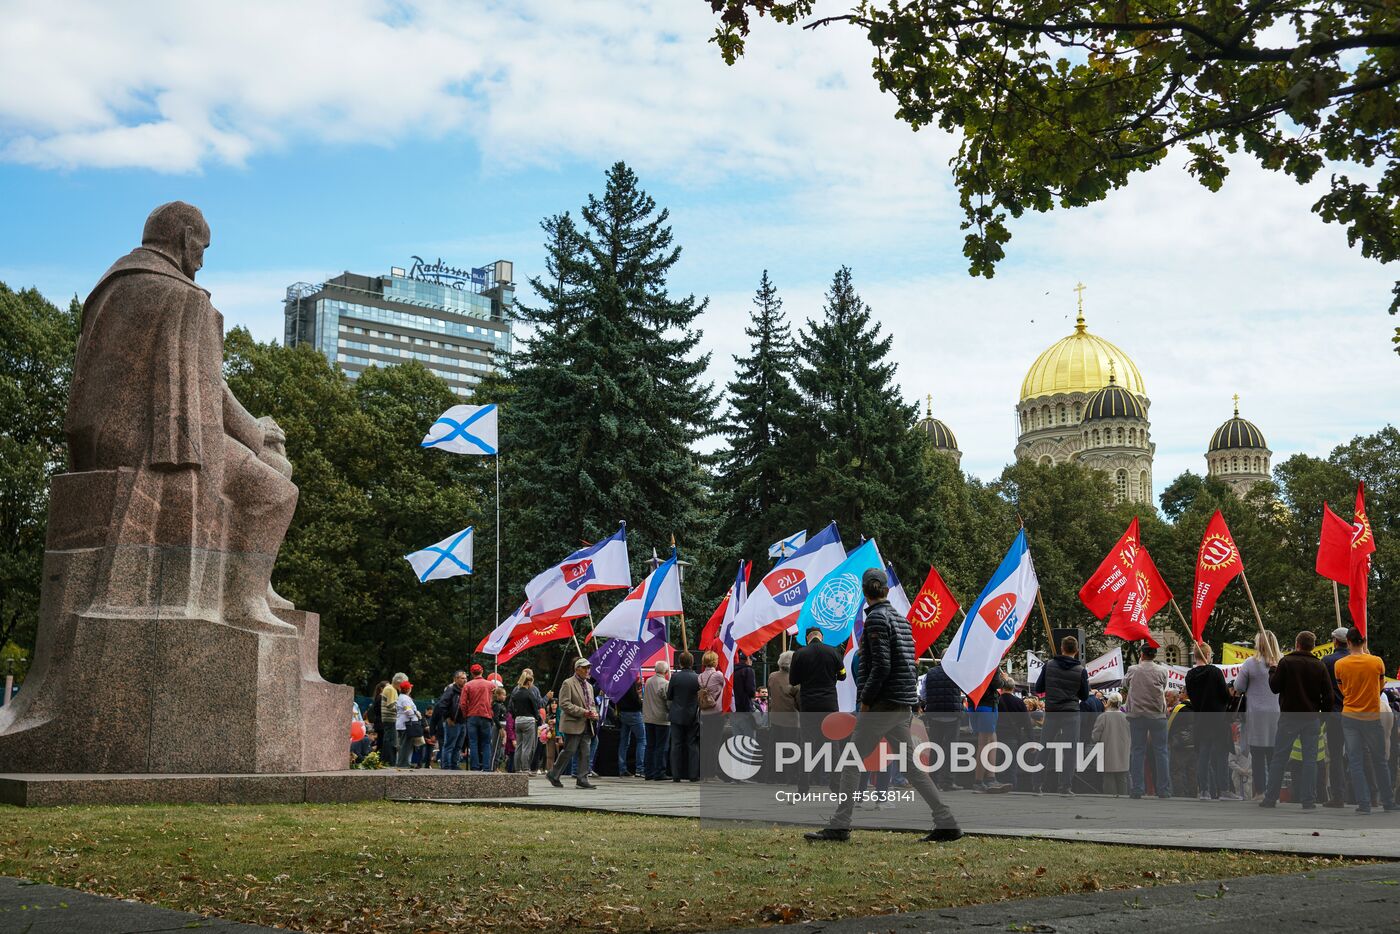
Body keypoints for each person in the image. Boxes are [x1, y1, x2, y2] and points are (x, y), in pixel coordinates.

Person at [805, 568, 960, 843]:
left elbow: (881, 666)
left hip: (881, 704)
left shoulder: (876, 620)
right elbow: (905, 664)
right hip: (901, 703)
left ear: (865, 593)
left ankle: (840, 824)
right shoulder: (901, 620)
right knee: (912, 767)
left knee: (851, 762)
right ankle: (945, 820)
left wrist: (865, 699)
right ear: (886, 589)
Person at [1261, 630, 1333, 810]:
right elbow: (1328, 696)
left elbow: (1275, 687)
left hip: (1289, 716)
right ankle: (1308, 800)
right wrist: (1322, 717)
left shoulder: (1286, 662)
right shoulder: (1319, 665)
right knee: (1310, 759)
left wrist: (1272, 670)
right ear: (1312, 646)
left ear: (1297, 644)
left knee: (1280, 757)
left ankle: (1270, 798)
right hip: (1311, 717)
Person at [1334, 627, 1398, 814]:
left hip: (1350, 715)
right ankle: (1387, 801)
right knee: (1380, 760)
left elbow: (1342, 689)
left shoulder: (1340, 664)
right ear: (1364, 642)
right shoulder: (1377, 662)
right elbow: (1379, 688)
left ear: (1349, 642)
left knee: (1355, 761)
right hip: (1371, 716)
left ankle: (1364, 803)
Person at [790, 626, 846, 793]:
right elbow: (842, 675)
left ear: (807, 638)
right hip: (829, 704)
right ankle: (836, 785)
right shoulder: (833, 652)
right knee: (832, 744)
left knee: (806, 744)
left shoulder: (799, 654)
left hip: (809, 705)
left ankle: (803, 787)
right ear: (821, 636)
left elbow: (793, 680)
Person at [1033, 635, 1089, 796]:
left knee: (1044, 748)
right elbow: (1085, 696)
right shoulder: (1080, 671)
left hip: (1052, 712)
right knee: (1070, 751)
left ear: (1062, 648)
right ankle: (1065, 786)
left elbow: (1039, 687)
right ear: (1077, 651)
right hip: (1071, 713)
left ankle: (1037, 785)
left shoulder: (1049, 665)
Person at [1233, 632, 1282, 798]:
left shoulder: (1250, 663)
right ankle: (1273, 791)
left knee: (1258, 754)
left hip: (1256, 714)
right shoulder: (1281, 662)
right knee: (1274, 755)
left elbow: (1239, 686)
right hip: (1276, 712)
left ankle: (1261, 791)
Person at [1185, 642, 1236, 800]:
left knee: (1203, 755)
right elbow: (1224, 695)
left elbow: (1192, 698)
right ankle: (1224, 790)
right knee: (1221, 755)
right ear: (1207, 655)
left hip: (1201, 718)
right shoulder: (1214, 672)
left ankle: (1204, 790)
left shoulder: (1190, 675)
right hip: (1218, 718)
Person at [1123, 645, 1172, 799]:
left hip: (1137, 714)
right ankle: (1163, 789)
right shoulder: (1162, 671)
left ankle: (1137, 789)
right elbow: (1164, 687)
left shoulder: (1133, 669)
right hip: (1157, 715)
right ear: (1155, 655)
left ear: (1142, 654)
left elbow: (1125, 685)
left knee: (1137, 751)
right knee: (1161, 752)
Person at [546, 658, 599, 789]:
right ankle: (553, 773)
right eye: (585, 667)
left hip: (587, 723)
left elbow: (591, 704)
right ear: (577, 669)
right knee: (569, 750)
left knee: (585, 752)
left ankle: (582, 778)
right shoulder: (568, 683)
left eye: (588, 668)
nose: (587, 670)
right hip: (573, 723)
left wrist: (593, 713)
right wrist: (583, 712)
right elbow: (564, 704)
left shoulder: (589, 686)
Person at [1321, 627, 1351, 807]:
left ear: (1335, 641)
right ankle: (1368, 795)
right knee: (1359, 755)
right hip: (1355, 711)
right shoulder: (1357, 660)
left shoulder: (1327, 661)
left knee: (1336, 755)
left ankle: (1338, 796)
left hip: (1334, 713)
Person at [667, 652, 701, 782]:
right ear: (692, 662)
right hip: (692, 715)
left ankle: (676, 775)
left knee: (676, 745)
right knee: (692, 745)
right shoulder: (697, 678)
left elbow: (669, 695)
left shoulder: (675, 677)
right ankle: (693, 775)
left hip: (676, 715)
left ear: (680, 663)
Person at [768, 651, 799, 781]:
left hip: (775, 716)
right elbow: (798, 700)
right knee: (790, 749)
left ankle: (771, 776)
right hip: (790, 719)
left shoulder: (772, 676)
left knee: (774, 748)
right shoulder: (794, 680)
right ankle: (789, 777)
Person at [1092, 692, 1131, 796]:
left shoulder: (1103, 717)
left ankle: (1110, 801)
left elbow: (1095, 736)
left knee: (1108, 777)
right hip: (1123, 751)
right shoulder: (1126, 717)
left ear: (1109, 702)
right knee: (1122, 778)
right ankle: (1123, 799)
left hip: (1106, 751)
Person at [459, 664, 495, 772]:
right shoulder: (491, 685)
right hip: (486, 715)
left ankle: (474, 767)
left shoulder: (467, 685)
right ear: (482, 671)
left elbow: (463, 703)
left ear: (471, 673)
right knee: (486, 743)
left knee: (473, 742)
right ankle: (486, 767)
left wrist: (466, 714)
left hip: (472, 716)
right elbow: (495, 700)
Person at [698, 651, 727, 780]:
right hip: (716, 712)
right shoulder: (718, 675)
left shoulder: (700, 677)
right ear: (715, 661)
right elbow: (728, 684)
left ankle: (704, 772)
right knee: (715, 743)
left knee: (706, 742)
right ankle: (712, 772)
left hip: (704, 712)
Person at [509, 670, 546, 776]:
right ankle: (525, 768)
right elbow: (535, 708)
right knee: (527, 746)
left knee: (519, 745)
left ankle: (517, 769)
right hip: (529, 720)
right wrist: (538, 719)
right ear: (529, 682)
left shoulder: (515, 694)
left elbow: (511, 708)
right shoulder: (530, 693)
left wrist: (516, 717)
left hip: (518, 720)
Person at [642, 661, 672, 781]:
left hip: (648, 718)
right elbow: (668, 701)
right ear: (665, 671)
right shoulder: (665, 683)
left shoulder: (648, 681)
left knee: (650, 745)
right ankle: (659, 772)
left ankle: (648, 772)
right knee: (662, 746)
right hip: (662, 719)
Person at [435, 670, 467, 772]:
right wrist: (448, 717)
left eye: (466, 678)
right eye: (462, 678)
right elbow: (441, 704)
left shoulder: (465, 690)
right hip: (453, 722)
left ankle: (454, 764)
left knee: (458, 746)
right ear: (456, 679)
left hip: (462, 722)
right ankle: (446, 765)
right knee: (449, 745)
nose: (465, 680)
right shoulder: (451, 690)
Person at [616, 678, 646, 777]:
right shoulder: (630, 679)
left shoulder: (619, 679)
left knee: (624, 742)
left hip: (622, 712)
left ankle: (622, 768)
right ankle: (640, 769)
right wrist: (641, 702)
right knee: (642, 740)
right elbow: (633, 698)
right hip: (633, 713)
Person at [394, 681, 422, 768]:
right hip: (406, 725)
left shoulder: (403, 697)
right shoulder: (405, 699)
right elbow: (408, 711)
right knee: (405, 745)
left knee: (406, 745)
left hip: (404, 724)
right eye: (410, 687)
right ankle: (403, 763)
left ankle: (404, 762)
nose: (411, 689)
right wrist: (416, 713)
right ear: (407, 689)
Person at [731, 653, 758, 739]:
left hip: (734, 708)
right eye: (751, 660)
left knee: (737, 740)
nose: (752, 662)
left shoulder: (731, 670)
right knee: (749, 740)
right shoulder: (748, 670)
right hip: (745, 709)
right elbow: (751, 691)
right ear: (747, 659)